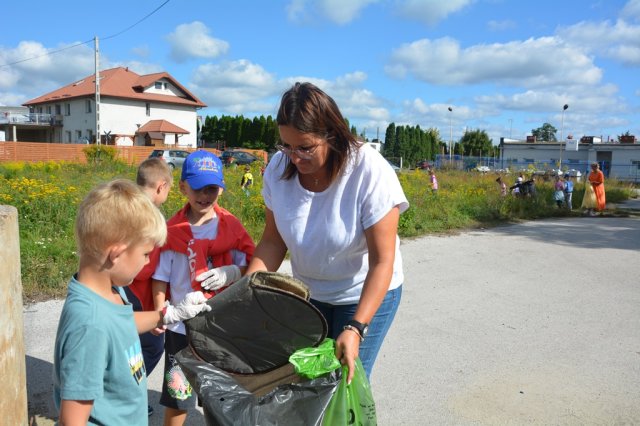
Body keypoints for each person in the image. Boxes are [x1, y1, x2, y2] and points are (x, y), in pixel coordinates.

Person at [245, 82, 409, 384]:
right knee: (309, 381)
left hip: (363, 291)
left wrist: (356, 327)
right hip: (310, 293)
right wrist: (247, 291)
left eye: (305, 147)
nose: (294, 157)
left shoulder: (368, 170)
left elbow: (382, 261)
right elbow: (272, 241)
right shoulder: (278, 169)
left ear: (331, 135)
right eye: (287, 145)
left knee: (344, 385)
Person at [53, 179, 211, 425]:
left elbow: (119, 323)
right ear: (116, 254)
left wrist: (168, 315)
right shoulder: (89, 326)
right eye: (146, 254)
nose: (148, 262)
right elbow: (71, 421)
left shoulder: (111, 289)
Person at [152, 150, 255, 426]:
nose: (204, 195)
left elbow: (252, 267)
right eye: (197, 188)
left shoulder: (231, 226)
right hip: (180, 330)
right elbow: (159, 275)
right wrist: (160, 309)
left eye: (211, 188)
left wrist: (232, 271)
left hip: (219, 328)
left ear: (220, 189)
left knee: (220, 398)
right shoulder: (171, 230)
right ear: (184, 187)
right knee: (178, 396)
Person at [123, 157, 173, 417]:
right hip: (136, 295)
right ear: (161, 186)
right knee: (151, 347)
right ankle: (127, 393)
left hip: (122, 293)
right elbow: (147, 266)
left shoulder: (125, 205)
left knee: (125, 345)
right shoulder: (149, 215)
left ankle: (126, 392)